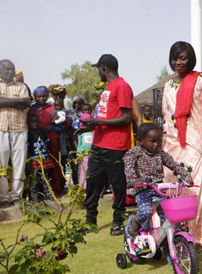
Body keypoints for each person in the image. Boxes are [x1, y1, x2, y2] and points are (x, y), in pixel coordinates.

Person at [161, 41, 202, 250]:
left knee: (196, 188)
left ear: (191, 59)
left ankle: (196, 234)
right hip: (173, 145)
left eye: (182, 58)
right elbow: (165, 116)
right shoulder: (168, 84)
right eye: (174, 58)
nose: (178, 62)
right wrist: (163, 146)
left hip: (197, 143)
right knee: (175, 189)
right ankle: (176, 233)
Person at [75, 54, 133, 236]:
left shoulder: (122, 86)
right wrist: (89, 128)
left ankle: (117, 221)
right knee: (93, 183)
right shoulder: (108, 87)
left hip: (116, 147)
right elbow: (106, 117)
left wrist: (97, 123)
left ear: (103, 68)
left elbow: (127, 117)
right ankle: (90, 221)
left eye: (98, 69)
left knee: (118, 185)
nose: (98, 72)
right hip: (98, 145)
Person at [123, 123, 193, 245]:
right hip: (142, 189)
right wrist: (134, 179)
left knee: (168, 217)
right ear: (140, 140)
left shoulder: (160, 154)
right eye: (152, 141)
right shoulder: (134, 153)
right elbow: (129, 167)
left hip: (158, 189)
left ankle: (164, 241)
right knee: (146, 211)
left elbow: (174, 165)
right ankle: (133, 227)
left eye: (159, 141)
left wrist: (186, 176)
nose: (156, 145)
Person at [0, 59, 31, 208]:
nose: (11, 72)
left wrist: (4, 101)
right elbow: (22, 102)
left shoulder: (22, 86)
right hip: (1, 128)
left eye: (12, 69)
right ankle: (4, 197)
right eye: (7, 70)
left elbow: (26, 103)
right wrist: (17, 102)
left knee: (19, 163)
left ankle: (16, 196)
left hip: (19, 128)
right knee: (1, 165)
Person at [28, 86, 63, 197]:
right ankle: (40, 191)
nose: (41, 99)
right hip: (35, 140)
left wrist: (49, 128)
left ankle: (55, 190)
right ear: (35, 97)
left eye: (44, 96)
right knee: (36, 166)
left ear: (47, 96)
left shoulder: (53, 108)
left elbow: (62, 125)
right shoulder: (31, 109)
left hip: (52, 138)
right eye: (38, 96)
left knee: (53, 164)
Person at [26, 114, 55, 202]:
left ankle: (49, 194)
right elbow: (27, 148)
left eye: (36, 122)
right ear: (28, 123)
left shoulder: (42, 133)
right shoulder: (28, 134)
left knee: (45, 177)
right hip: (34, 159)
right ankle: (34, 196)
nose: (34, 124)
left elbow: (47, 145)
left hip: (44, 157)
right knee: (33, 179)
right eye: (32, 122)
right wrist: (28, 161)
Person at [77, 103, 94, 189]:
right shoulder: (81, 132)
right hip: (84, 156)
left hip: (94, 155)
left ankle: (95, 189)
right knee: (83, 173)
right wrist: (78, 155)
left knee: (94, 173)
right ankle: (83, 188)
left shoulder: (94, 131)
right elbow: (79, 145)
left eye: (89, 110)